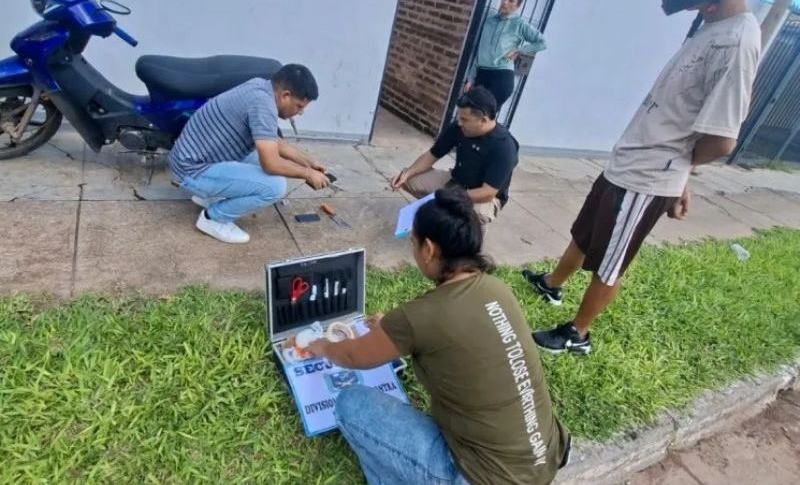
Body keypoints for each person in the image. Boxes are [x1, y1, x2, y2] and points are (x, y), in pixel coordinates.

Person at [522, 0, 776, 356]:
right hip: (629, 161)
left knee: (611, 261)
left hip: (647, 176)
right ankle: (551, 284)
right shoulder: (712, 27)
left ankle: (577, 335)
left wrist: (677, 173)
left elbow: (721, 140)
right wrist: (683, 178)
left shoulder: (738, 41)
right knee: (584, 233)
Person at [308, 189, 571, 485]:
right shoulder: (497, 289)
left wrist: (322, 346)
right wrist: (393, 330)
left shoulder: (420, 317)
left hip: (483, 478)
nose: (413, 249)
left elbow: (351, 356)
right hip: (542, 463)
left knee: (351, 403)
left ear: (429, 249)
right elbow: (450, 335)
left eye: (413, 242)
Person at [168, 64, 330, 244]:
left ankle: (210, 196)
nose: (300, 112)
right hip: (192, 171)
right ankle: (213, 218)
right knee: (274, 186)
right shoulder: (263, 105)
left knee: (261, 159)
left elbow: (272, 141)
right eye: (299, 106)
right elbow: (271, 164)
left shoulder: (259, 87)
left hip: (195, 157)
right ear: (285, 95)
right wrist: (306, 173)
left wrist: (308, 162)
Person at [390, 86, 519, 226]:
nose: (459, 122)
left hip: (484, 198)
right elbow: (432, 155)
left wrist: (451, 197)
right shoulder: (458, 128)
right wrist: (407, 173)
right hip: (456, 181)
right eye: (459, 117)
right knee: (410, 180)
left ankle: (470, 234)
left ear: (483, 119)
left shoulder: (504, 147)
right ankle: (442, 213)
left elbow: (488, 192)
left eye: (465, 119)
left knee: (470, 214)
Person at [464, 0, 547, 111]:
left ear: (518, 6)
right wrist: (471, 77)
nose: (505, 2)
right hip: (481, 75)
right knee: (470, 114)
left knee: (480, 117)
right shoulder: (489, 21)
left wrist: (519, 50)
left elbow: (542, 42)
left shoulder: (520, 24)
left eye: (511, 0)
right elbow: (479, 51)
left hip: (501, 78)